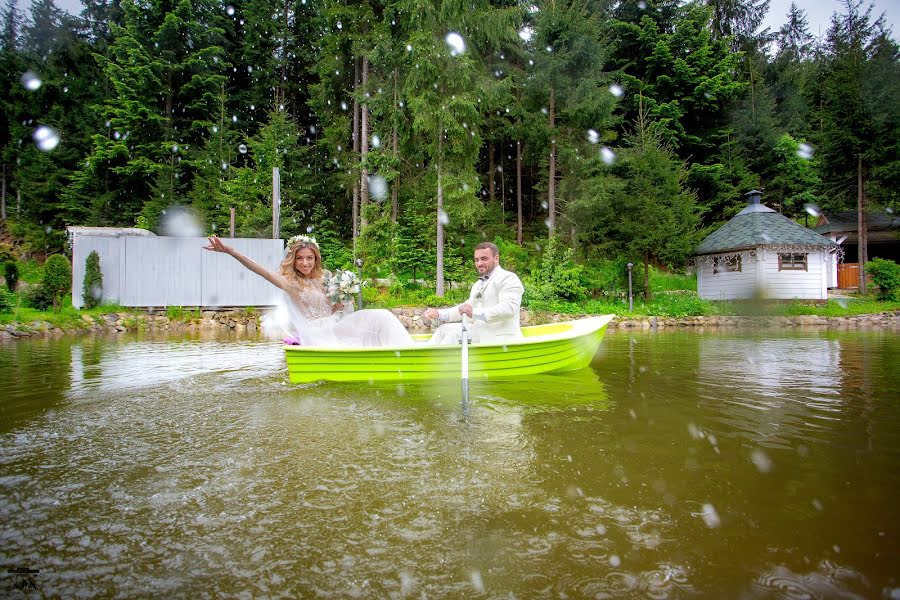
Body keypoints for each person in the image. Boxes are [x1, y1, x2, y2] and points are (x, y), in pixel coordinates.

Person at [203, 235, 413, 347]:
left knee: (382, 317)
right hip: (320, 333)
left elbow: (335, 308)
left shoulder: (323, 278)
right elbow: (261, 271)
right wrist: (230, 251)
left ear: (315, 259)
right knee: (380, 317)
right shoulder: (291, 284)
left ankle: (406, 348)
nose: (305, 263)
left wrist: (341, 301)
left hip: (337, 325)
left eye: (309, 258)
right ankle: (409, 352)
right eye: (300, 258)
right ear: (293, 260)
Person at [424, 242, 524, 345]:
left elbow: (508, 309)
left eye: (484, 259)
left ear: (496, 258)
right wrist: (439, 314)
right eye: (476, 260)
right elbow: (466, 308)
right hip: (480, 334)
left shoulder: (509, 278)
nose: (479, 263)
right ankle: (424, 356)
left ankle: (436, 359)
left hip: (501, 340)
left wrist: (474, 313)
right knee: (443, 329)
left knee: (452, 335)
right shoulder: (478, 285)